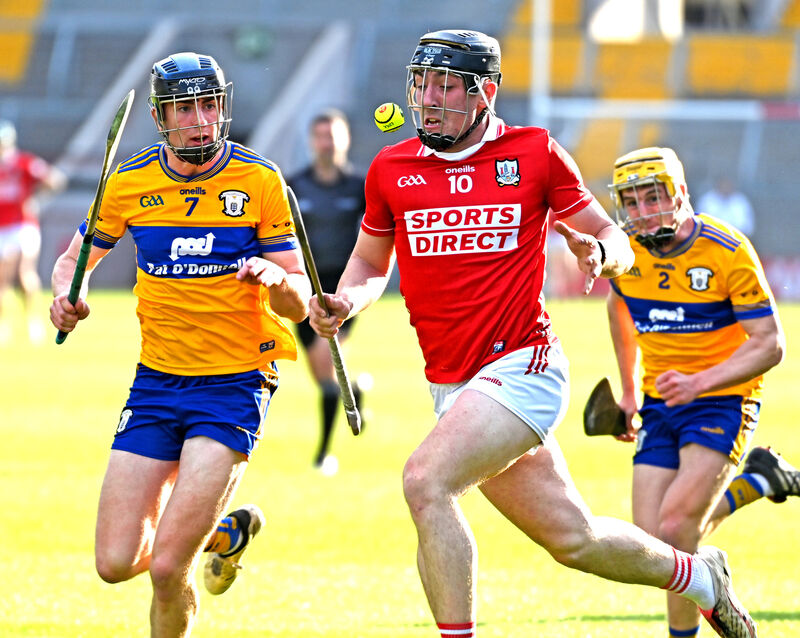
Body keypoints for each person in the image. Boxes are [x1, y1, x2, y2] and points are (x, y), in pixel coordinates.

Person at [309, 29, 757, 638]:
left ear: (485, 93)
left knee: (425, 481)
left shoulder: (534, 152)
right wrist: (347, 300)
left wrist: (601, 253)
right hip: (454, 385)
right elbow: (369, 261)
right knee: (576, 540)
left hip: (525, 366)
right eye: (423, 84)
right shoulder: (392, 167)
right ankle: (701, 577)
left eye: (447, 86)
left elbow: (617, 238)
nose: (430, 99)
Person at [49, 52, 311, 637]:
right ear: (160, 117)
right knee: (115, 563)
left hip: (235, 384)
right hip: (156, 382)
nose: (200, 120)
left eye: (209, 105)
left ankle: (190, 543)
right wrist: (69, 295)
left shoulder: (260, 181)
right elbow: (73, 262)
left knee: (168, 568)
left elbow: (300, 302)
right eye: (184, 109)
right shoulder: (128, 182)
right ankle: (219, 534)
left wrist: (277, 281)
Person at [606, 146, 797, 638]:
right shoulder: (628, 252)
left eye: (654, 197)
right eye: (632, 201)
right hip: (660, 402)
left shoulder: (726, 250)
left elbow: (770, 344)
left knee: (676, 529)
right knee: (654, 546)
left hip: (724, 398)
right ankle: (760, 481)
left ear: (680, 195)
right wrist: (628, 391)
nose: (643, 211)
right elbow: (618, 307)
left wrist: (700, 383)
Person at [287, 109, 368, 474]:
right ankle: (356, 388)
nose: (327, 143)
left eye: (333, 135)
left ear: (345, 139)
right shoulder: (294, 186)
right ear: (311, 141)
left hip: (342, 292)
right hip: (303, 289)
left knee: (326, 366)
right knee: (322, 374)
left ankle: (323, 454)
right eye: (321, 136)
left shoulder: (358, 187)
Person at [0, 119, 66, 344]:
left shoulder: (23, 162)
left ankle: (32, 321)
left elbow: (54, 179)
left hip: (22, 225)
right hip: (3, 227)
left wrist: (37, 199)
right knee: (2, 279)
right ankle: (4, 325)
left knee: (24, 273)